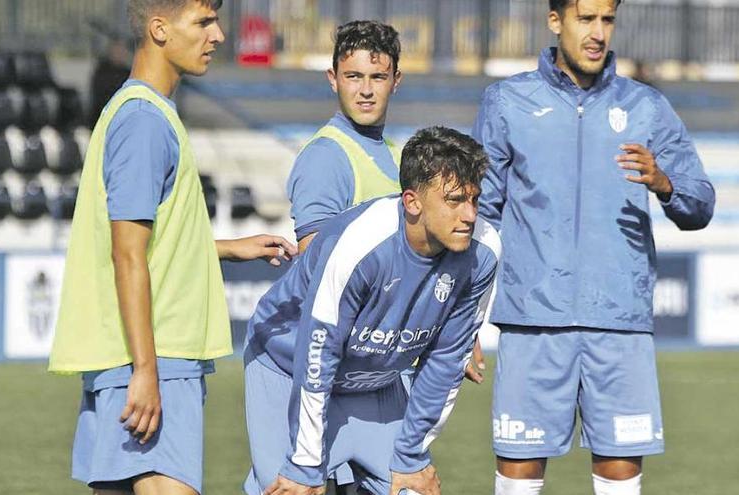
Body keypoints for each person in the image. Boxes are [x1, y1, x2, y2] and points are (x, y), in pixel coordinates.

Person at [48, 1, 296, 494]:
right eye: (203, 22)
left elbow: (149, 240)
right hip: (155, 353)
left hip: (127, 356)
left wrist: (225, 247)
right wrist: (147, 369)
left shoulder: (136, 110)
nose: (218, 35)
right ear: (159, 29)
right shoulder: (144, 121)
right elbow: (127, 253)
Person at [471, 1, 715, 494]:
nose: (598, 32)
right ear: (556, 20)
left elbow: (700, 204)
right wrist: (465, 317)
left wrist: (664, 183)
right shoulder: (507, 102)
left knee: (621, 475)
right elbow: (479, 217)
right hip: (532, 321)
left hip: (618, 323)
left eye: (607, 20)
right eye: (586, 19)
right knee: (518, 474)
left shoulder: (647, 106)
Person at [243, 126, 501, 495]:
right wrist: (304, 463)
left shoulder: (485, 249)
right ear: (412, 202)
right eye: (455, 200)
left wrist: (411, 456)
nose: (470, 215)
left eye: (475, 200)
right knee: (292, 488)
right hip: (289, 369)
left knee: (414, 489)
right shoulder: (359, 244)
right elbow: (317, 354)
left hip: (374, 384)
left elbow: (446, 360)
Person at [286, 20, 402, 254]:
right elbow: (316, 265)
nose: (366, 90)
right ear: (333, 79)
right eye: (354, 76)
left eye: (378, 77)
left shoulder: (394, 151)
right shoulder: (325, 156)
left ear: (395, 81)